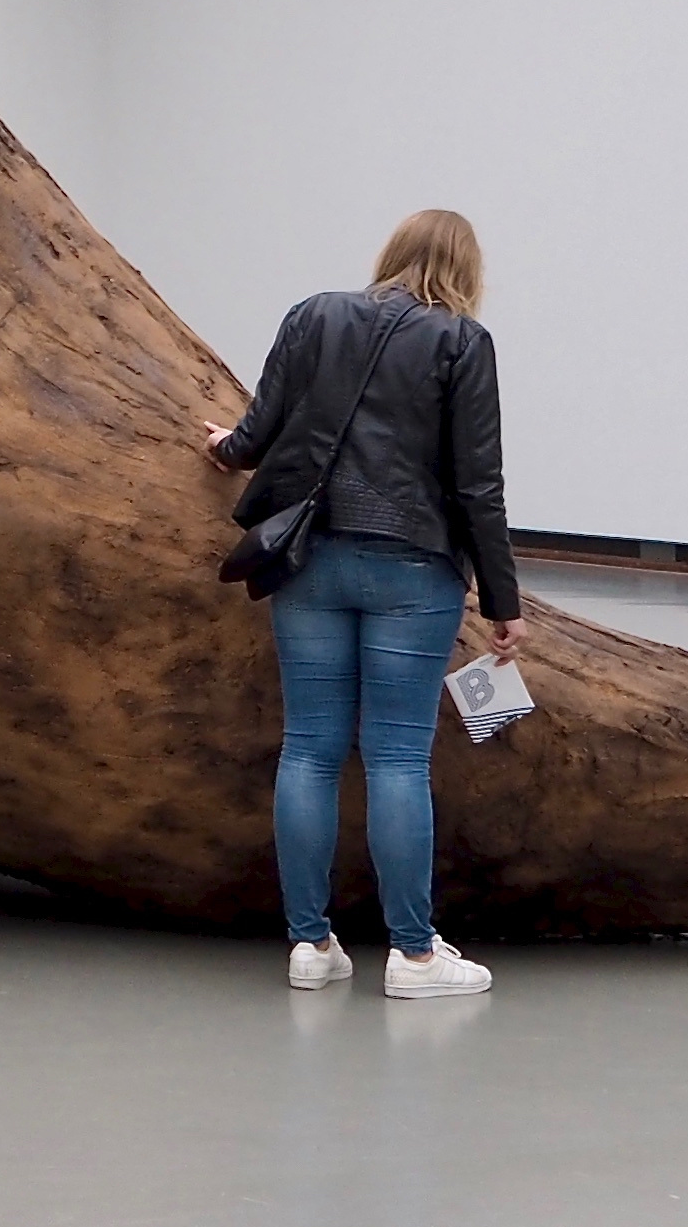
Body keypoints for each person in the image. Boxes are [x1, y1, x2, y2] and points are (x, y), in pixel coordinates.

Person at [200, 208, 525, 999]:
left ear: (393, 255)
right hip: (415, 574)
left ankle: (310, 946)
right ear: (466, 273)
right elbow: (478, 483)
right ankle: (414, 957)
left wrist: (224, 449)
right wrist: (502, 598)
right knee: (395, 758)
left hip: (310, 557)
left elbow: (259, 427)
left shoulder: (314, 315)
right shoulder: (462, 341)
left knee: (309, 748)